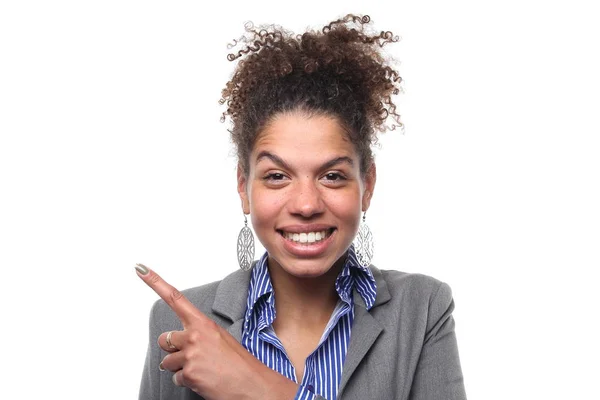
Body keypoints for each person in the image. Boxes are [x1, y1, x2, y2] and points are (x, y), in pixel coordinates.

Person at [136, 14, 467, 400]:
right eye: (277, 176)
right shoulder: (180, 322)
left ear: (367, 186)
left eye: (332, 176)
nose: (307, 204)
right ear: (244, 187)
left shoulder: (422, 308)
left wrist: (260, 389)